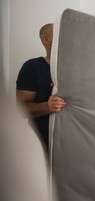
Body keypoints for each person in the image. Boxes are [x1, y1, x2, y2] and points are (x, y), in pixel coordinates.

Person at [16, 23, 67, 151]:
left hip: (71, 146)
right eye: (60, 34)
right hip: (40, 145)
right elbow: (21, 108)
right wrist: (47, 106)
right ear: (46, 39)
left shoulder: (75, 69)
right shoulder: (32, 67)